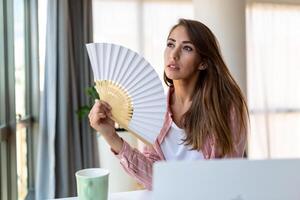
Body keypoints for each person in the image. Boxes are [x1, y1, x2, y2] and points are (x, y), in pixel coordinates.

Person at [88, 18, 249, 190]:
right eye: (170, 44)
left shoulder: (226, 108)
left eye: (187, 48)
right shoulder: (154, 111)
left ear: (203, 63)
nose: (174, 54)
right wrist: (111, 136)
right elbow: (153, 178)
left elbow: (229, 176)